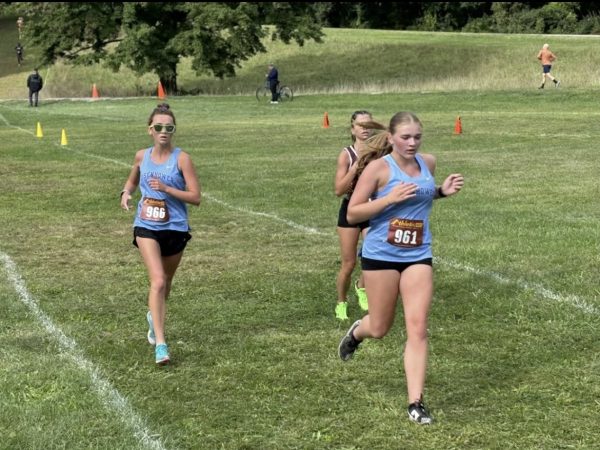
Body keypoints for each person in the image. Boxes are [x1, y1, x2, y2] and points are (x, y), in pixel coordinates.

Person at [337, 112, 464, 425]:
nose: (412, 143)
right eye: (405, 137)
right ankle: (357, 331)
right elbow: (353, 213)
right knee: (380, 327)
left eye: (417, 137)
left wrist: (440, 192)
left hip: (418, 255)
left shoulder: (428, 164)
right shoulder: (378, 169)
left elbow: (422, 193)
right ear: (391, 138)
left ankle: (416, 402)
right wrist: (388, 199)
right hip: (381, 255)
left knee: (418, 327)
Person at [120, 103, 201, 365]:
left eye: (169, 127)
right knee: (156, 281)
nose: (163, 131)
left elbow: (195, 197)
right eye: (158, 127)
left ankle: (153, 318)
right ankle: (161, 345)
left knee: (165, 284)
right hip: (146, 226)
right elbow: (133, 178)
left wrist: (167, 188)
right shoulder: (141, 156)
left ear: (173, 130)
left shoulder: (182, 159)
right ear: (150, 130)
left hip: (175, 227)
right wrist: (126, 192)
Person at [334, 110, 374, 320]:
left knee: (373, 257)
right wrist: (356, 166)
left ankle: (362, 287)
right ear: (353, 129)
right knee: (349, 264)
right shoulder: (346, 154)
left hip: (372, 210)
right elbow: (339, 190)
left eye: (369, 124)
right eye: (361, 125)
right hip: (351, 209)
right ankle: (341, 301)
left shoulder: (381, 152)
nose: (365, 128)